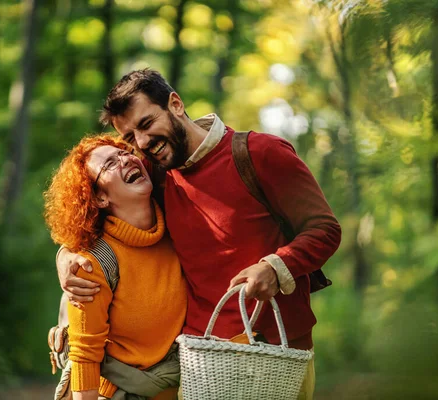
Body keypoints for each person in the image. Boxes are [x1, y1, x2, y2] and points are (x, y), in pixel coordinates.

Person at [56, 70, 342, 399]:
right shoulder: (155, 174)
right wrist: (66, 255)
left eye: (147, 124)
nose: (143, 143)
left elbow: (324, 229)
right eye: (131, 137)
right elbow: (96, 208)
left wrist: (276, 266)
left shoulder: (261, 153)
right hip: (203, 360)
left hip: (276, 353)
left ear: (175, 104)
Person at [44, 134, 187, 400]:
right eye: (109, 164)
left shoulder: (178, 229)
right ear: (99, 198)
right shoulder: (93, 263)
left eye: (124, 153)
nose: (125, 160)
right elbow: (85, 353)